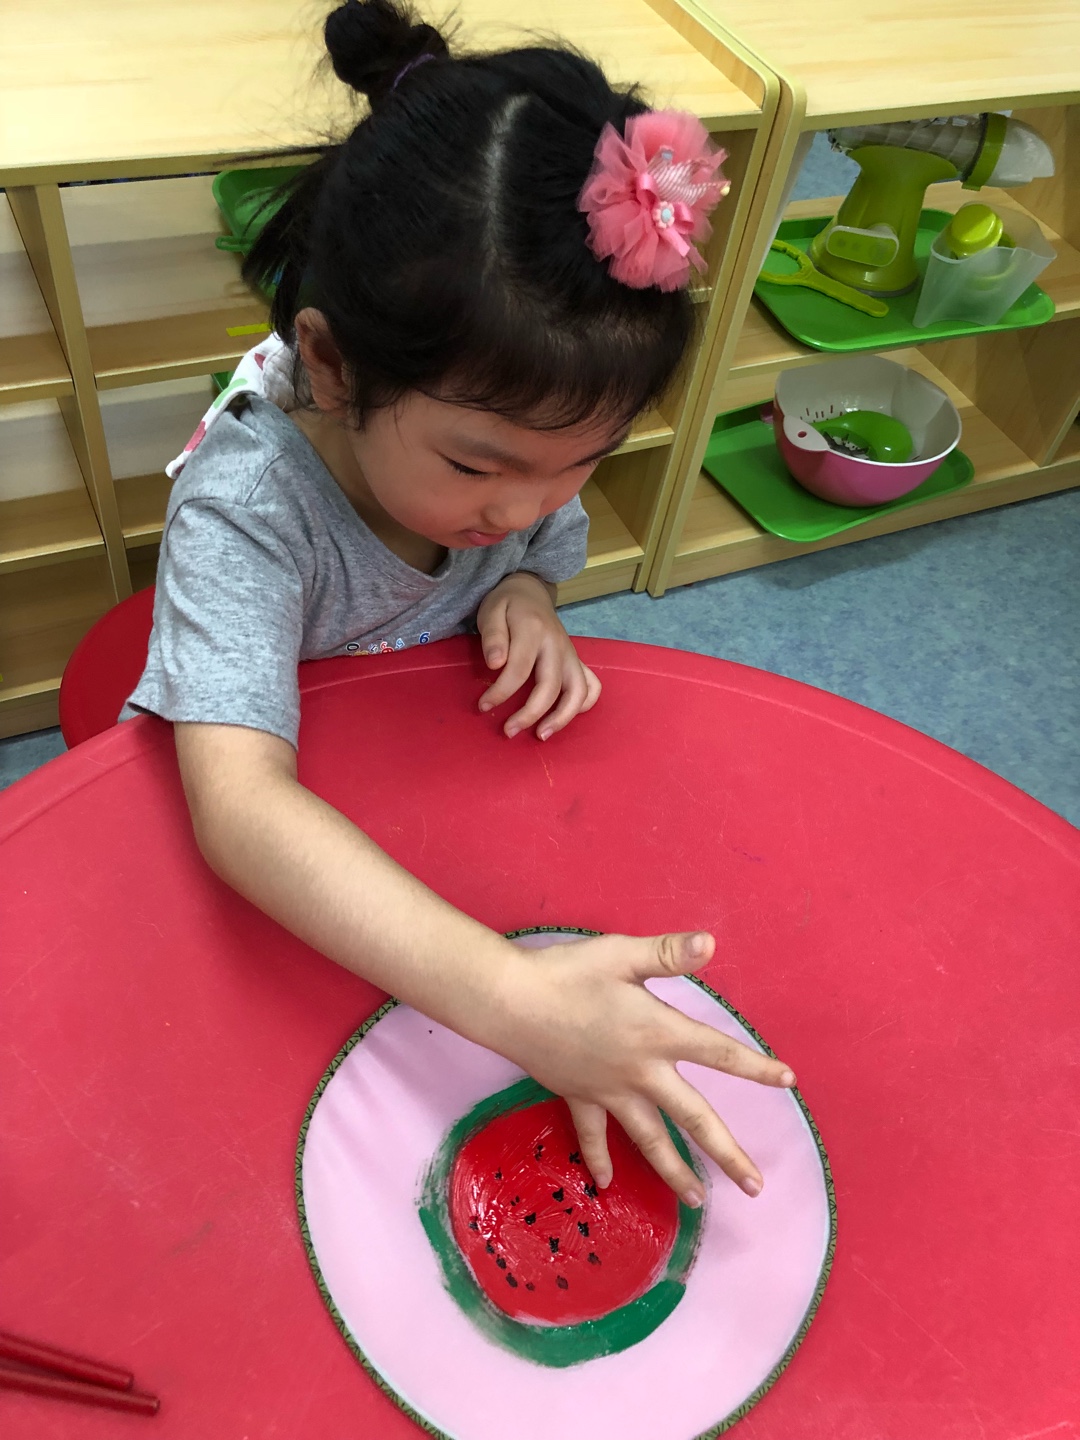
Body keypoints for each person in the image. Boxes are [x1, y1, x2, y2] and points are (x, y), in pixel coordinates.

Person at [124, 0, 794, 1209]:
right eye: (480, 466)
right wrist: (516, 1004)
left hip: (426, 814)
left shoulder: (515, 471)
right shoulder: (246, 510)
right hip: (287, 857)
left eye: (583, 460)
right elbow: (241, 812)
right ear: (333, 366)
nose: (524, 505)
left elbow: (540, 538)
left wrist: (531, 589)